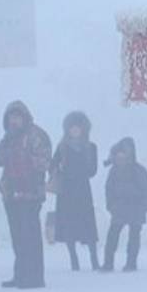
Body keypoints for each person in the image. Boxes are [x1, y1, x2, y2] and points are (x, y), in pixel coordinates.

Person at [0, 99, 52, 289]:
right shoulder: (8, 137)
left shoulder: (37, 135)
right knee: (17, 237)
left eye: (17, 117)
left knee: (31, 237)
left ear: (24, 117)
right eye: (11, 117)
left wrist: (25, 157)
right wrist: (8, 146)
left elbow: (45, 162)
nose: (14, 121)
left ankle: (34, 278)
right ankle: (20, 275)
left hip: (31, 193)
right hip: (11, 194)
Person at [50, 111, 99, 271]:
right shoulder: (62, 147)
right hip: (67, 191)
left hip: (83, 191)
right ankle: (74, 261)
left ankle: (94, 260)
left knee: (88, 226)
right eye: (72, 127)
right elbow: (52, 166)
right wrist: (60, 170)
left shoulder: (91, 147)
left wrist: (80, 170)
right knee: (69, 226)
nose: (75, 130)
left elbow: (92, 171)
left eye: (77, 127)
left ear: (84, 129)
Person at [101, 137, 147, 272]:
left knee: (134, 237)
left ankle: (131, 263)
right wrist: (110, 205)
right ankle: (108, 263)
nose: (121, 157)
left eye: (123, 154)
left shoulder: (139, 170)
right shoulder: (113, 171)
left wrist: (145, 205)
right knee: (113, 235)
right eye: (118, 154)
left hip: (136, 208)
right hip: (118, 208)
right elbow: (109, 189)